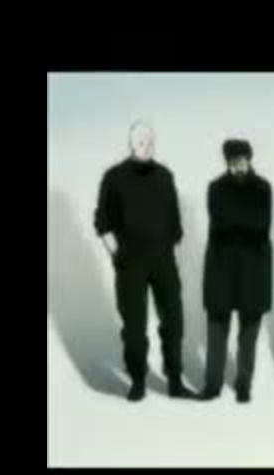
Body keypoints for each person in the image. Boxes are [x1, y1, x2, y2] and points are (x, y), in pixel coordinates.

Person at [93, 121, 196, 401]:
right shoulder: (114, 177)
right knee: (134, 327)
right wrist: (118, 255)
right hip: (131, 263)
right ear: (131, 144)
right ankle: (138, 380)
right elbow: (102, 223)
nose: (147, 147)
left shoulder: (165, 176)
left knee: (174, 322)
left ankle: (175, 381)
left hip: (164, 260)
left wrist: (172, 250)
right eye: (141, 142)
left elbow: (174, 220)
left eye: (150, 142)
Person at [200, 139, 272, 403]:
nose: (238, 164)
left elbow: (260, 224)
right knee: (216, 329)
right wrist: (241, 227)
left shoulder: (263, 188)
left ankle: (243, 385)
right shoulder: (215, 188)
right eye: (233, 160)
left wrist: (235, 227)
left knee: (249, 332)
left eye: (242, 159)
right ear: (227, 161)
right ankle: (212, 385)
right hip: (221, 268)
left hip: (253, 270)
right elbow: (220, 222)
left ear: (249, 159)